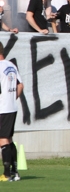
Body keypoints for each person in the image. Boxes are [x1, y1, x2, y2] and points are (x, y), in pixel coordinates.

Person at [0, 45, 23, 182]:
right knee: (8, 139)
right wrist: (11, 99)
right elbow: (20, 86)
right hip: (11, 107)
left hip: (2, 108)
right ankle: (15, 172)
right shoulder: (11, 65)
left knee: (3, 140)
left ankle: (7, 174)